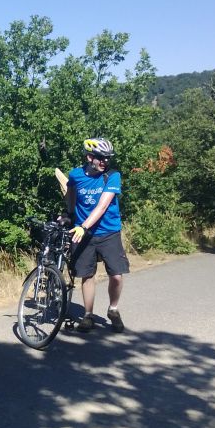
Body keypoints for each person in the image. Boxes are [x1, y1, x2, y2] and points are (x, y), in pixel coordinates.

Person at [61, 137, 130, 333]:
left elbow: (102, 206)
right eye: (101, 158)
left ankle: (113, 309)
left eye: (108, 158)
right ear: (89, 157)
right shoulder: (75, 174)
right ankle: (88, 315)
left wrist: (83, 226)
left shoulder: (112, 176)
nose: (105, 162)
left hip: (108, 231)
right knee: (87, 275)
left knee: (116, 276)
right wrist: (69, 213)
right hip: (83, 233)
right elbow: (70, 191)